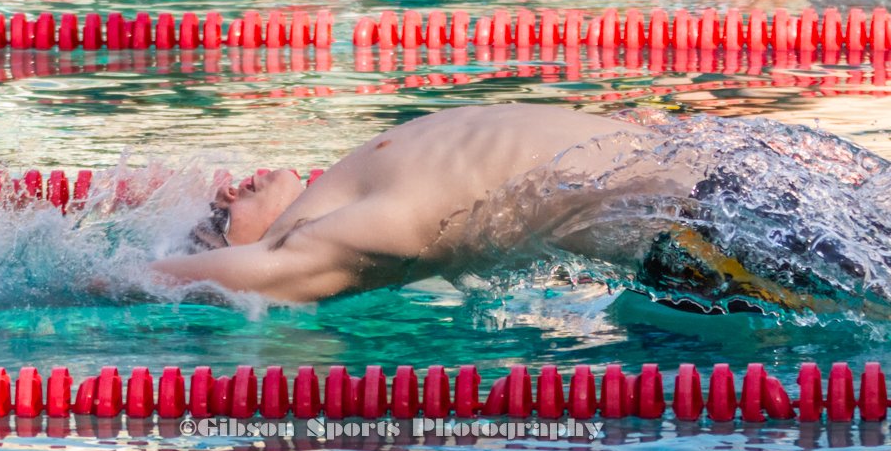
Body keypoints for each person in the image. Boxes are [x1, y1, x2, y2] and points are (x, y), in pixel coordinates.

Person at [152, 104, 691, 302]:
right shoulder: (325, 239)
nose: (223, 193)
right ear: (237, 257)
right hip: (693, 225)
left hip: (698, 179)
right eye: (219, 218)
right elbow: (154, 279)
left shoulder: (356, 182)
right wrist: (103, 282)